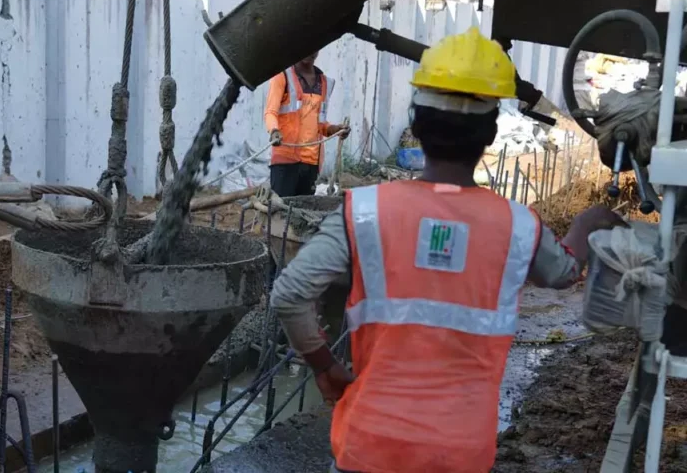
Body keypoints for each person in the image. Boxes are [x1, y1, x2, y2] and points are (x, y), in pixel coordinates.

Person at [268, 28, 626, 473]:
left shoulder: (362, 211)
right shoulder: (517, 226)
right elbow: (564, 272)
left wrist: (324, 366)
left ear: (417, 124)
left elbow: (289, 295)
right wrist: (588, 223)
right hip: (459, 453)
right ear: (491, 133)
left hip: (369, 446)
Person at [264, 51, 349, 198]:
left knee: (301, 214)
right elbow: (270, 112)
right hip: (285, 161)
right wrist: (274, 131)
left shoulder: (323, 83)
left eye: (315, 46)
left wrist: (335, 130)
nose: (310, 51)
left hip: (311, 163)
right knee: (280, 212)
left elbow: (320, 123)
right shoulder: (283, 76)